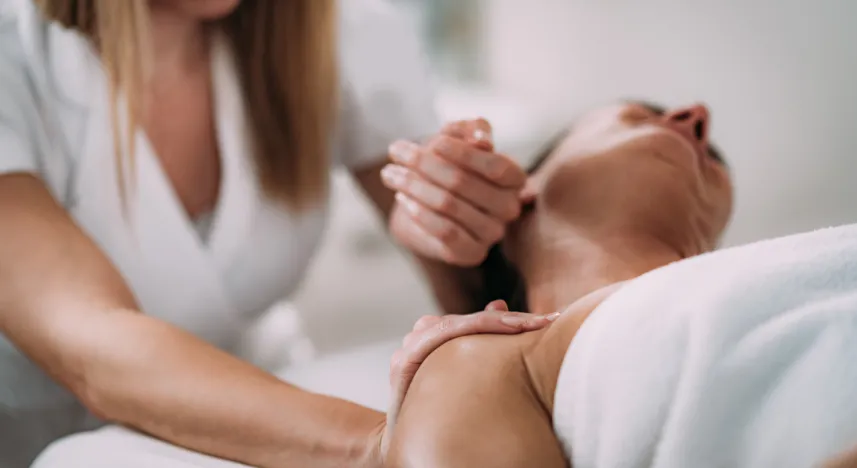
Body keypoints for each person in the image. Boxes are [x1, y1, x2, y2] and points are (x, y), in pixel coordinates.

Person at [0, 0, 552, 466]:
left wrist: (452, 229)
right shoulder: (13, 62)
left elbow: (476, 298)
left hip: (267, 411)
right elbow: (93, 344)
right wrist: (386, 446)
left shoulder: (341, 31)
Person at [385, 100, 734, 467]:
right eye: (638, 117)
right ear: (522, 192)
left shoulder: (749, 276)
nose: (698, 114)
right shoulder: (478, 366)